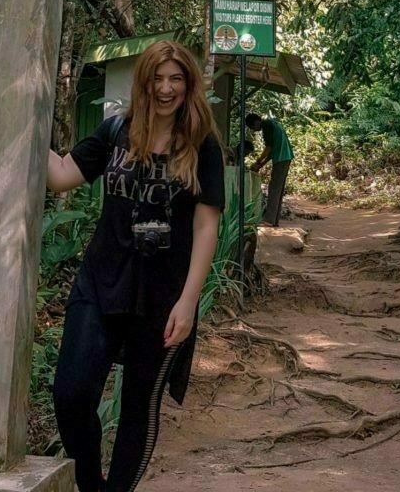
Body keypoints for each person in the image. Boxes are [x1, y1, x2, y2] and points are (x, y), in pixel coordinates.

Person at [46, 40, 224, 492]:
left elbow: (206, 228)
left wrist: (189, 302)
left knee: (138, 408)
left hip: (164, 296)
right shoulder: (116, 132)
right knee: (72, 394)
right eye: (157, 79)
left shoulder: (202, 144)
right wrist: (23, 118)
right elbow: (62, 174)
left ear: (188, 84)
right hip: (102, 283)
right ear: (143, 83)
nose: (166, 89)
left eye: (176, 79)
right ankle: (91, 485)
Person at [246, 112, 294, 226]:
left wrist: (257, 161)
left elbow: (269, 148)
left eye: (253, 127)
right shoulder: (274, 123)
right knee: (278, 188)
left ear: (257, 121)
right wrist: (260, 165)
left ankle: (269, 220)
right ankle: (274, 220)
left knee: (274, 188)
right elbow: (272, 152)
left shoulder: (266, 125)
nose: (254, 129)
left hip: (281, 157)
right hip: (285, 156)